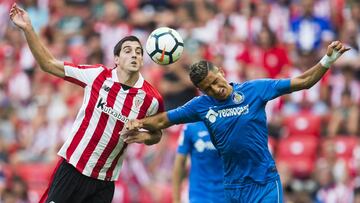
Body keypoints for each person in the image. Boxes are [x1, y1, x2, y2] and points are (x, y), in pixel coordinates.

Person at [126, 41, 350, 202]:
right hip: (233, 188)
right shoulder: (200, 106)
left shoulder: (255, 90)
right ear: (201, 91)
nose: (216, 88)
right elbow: (164, 120)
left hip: (264, 183)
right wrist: (138, 122)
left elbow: (303, 81)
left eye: (215, 81)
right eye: (208, 88)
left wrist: (327, 59)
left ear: (222, 72)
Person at [9, 3, 164, 203]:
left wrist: (142, 136)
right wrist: (28, 28)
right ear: (116, 58)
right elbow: (47, 64)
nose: (134, 54)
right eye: (128, 50)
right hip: (72, 169)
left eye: (138, 52)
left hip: (104, 182)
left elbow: (157, 134)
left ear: (142, 60)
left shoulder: (152, 99)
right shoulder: (97, 75)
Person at [172, 122, 225, 203]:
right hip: (198, 196)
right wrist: (176, 199)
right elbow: (179, 163)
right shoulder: (190, 127)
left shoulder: (227, 125)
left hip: (225, 195)